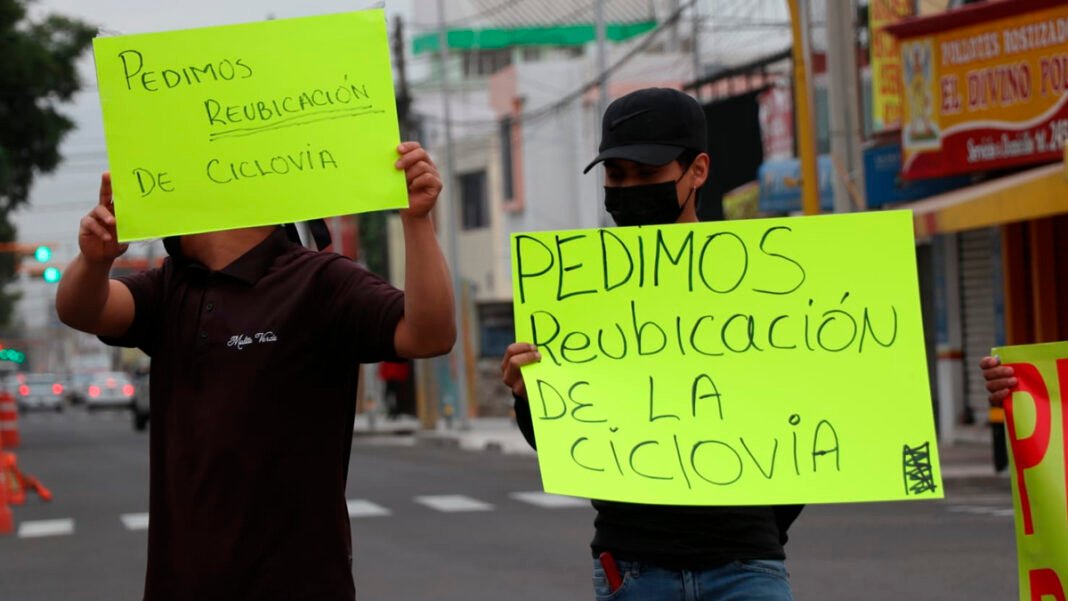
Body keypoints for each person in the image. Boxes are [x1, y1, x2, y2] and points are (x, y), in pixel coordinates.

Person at [56, 142, 455, 601]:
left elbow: (429, 335)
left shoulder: (322, 281)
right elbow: (81, 309)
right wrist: (95, 260)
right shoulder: (170, 288)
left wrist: (417, 221)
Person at [501, 88, 800, 601]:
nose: (629, 189)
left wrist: (757, 532)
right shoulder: (581, 291)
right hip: (634, 568)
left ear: (697, 171)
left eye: (647, 173)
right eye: (616, 177)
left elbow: (804, 414)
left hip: (745, 567)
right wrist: (528, 396)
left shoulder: (757, 282)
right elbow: (568, 442)